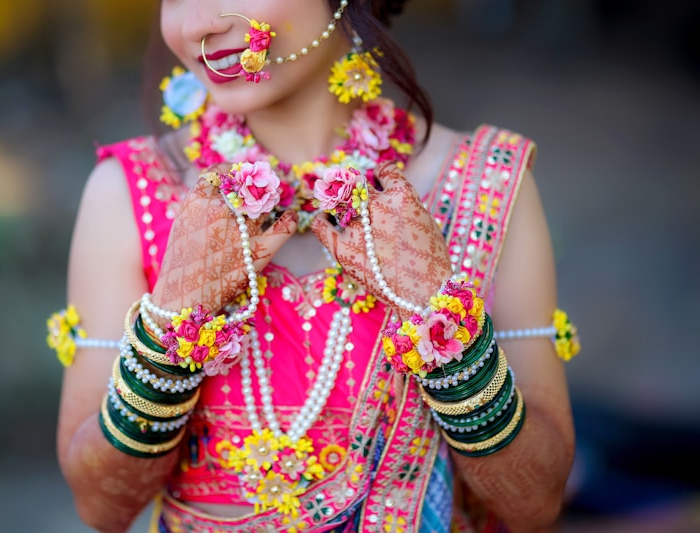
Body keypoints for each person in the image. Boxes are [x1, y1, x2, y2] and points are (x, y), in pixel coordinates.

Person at [49, 1, 581, 531]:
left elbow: (533, 506)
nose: (197, 25)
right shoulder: (129, 193)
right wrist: (170, 323)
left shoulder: (483, 186)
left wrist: (441, 320)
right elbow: (102, 508)